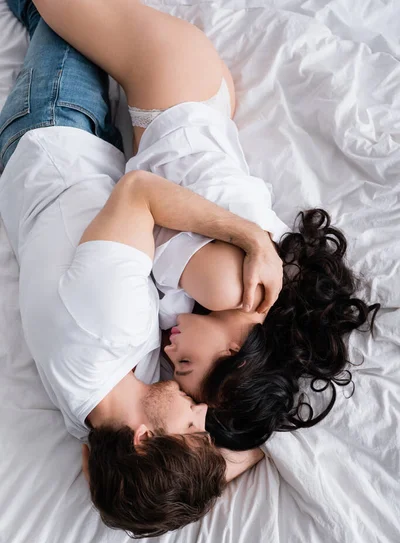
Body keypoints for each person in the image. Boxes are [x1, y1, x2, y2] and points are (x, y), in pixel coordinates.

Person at [33, 0, 380, 453]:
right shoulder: (222, 289)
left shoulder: (253, 300)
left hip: (202, 104)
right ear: (234, 350)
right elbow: (141, 208)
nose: (171, 356)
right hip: (167, 87)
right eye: (187, 365)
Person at [0, 1, 269, 538]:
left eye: (193, 428)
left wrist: (250, 236)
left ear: (145, 437)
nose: (202, 412)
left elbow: (139, 192)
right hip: (50, 170)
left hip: (58, 124)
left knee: (51, 12)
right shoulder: (92, 418)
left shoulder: (108, 328)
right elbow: (239, 456)